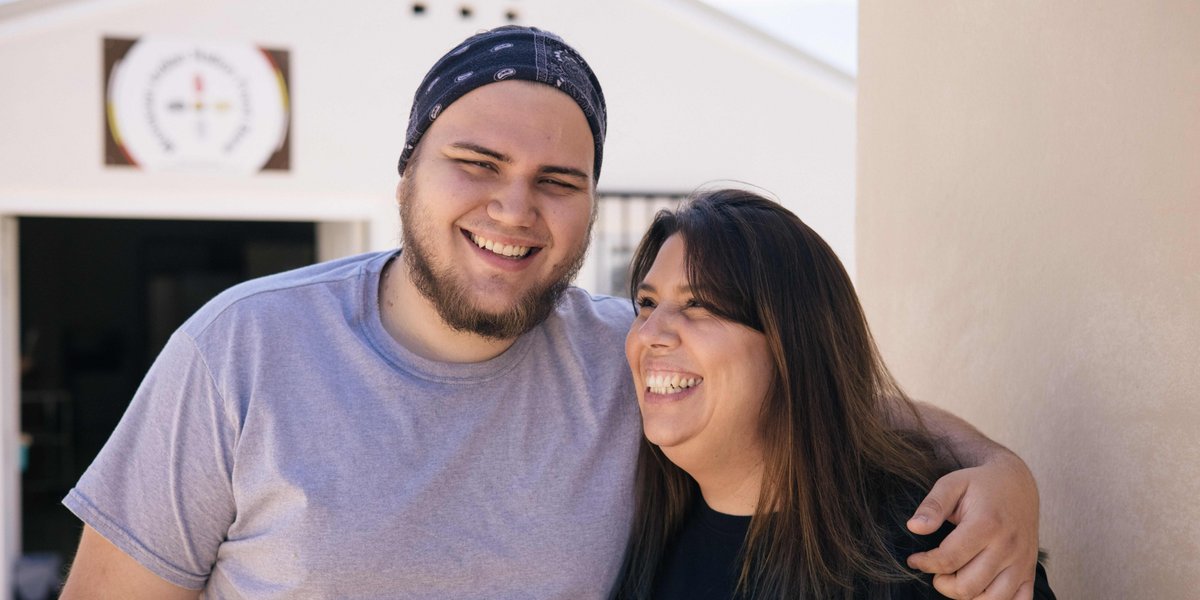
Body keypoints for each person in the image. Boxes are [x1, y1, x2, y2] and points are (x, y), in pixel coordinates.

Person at [60, 26, 1040, 599]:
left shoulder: (628, 357)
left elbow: (824, 401)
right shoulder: (241, 349)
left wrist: (1003, 471)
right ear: (406, 175)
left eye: (558, 181)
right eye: (477, 164)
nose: (514, 208)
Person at [614, 189, 1055, 600]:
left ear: (794, 345)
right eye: (647, 304)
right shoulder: (641, 546)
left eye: (697, 304)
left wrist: (1004, 467)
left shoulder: (943, 550)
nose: (648, 334)